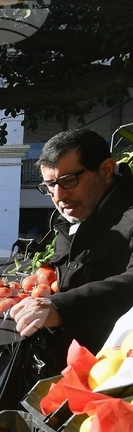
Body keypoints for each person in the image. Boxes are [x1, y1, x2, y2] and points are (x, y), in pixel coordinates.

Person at [10, 128, 133, 375]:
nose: (58, 195)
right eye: (50, 186)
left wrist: (61, 307)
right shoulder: (69, 219)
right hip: (67, 373)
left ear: (106, 170)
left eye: (68, 181)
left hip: (115, 379)